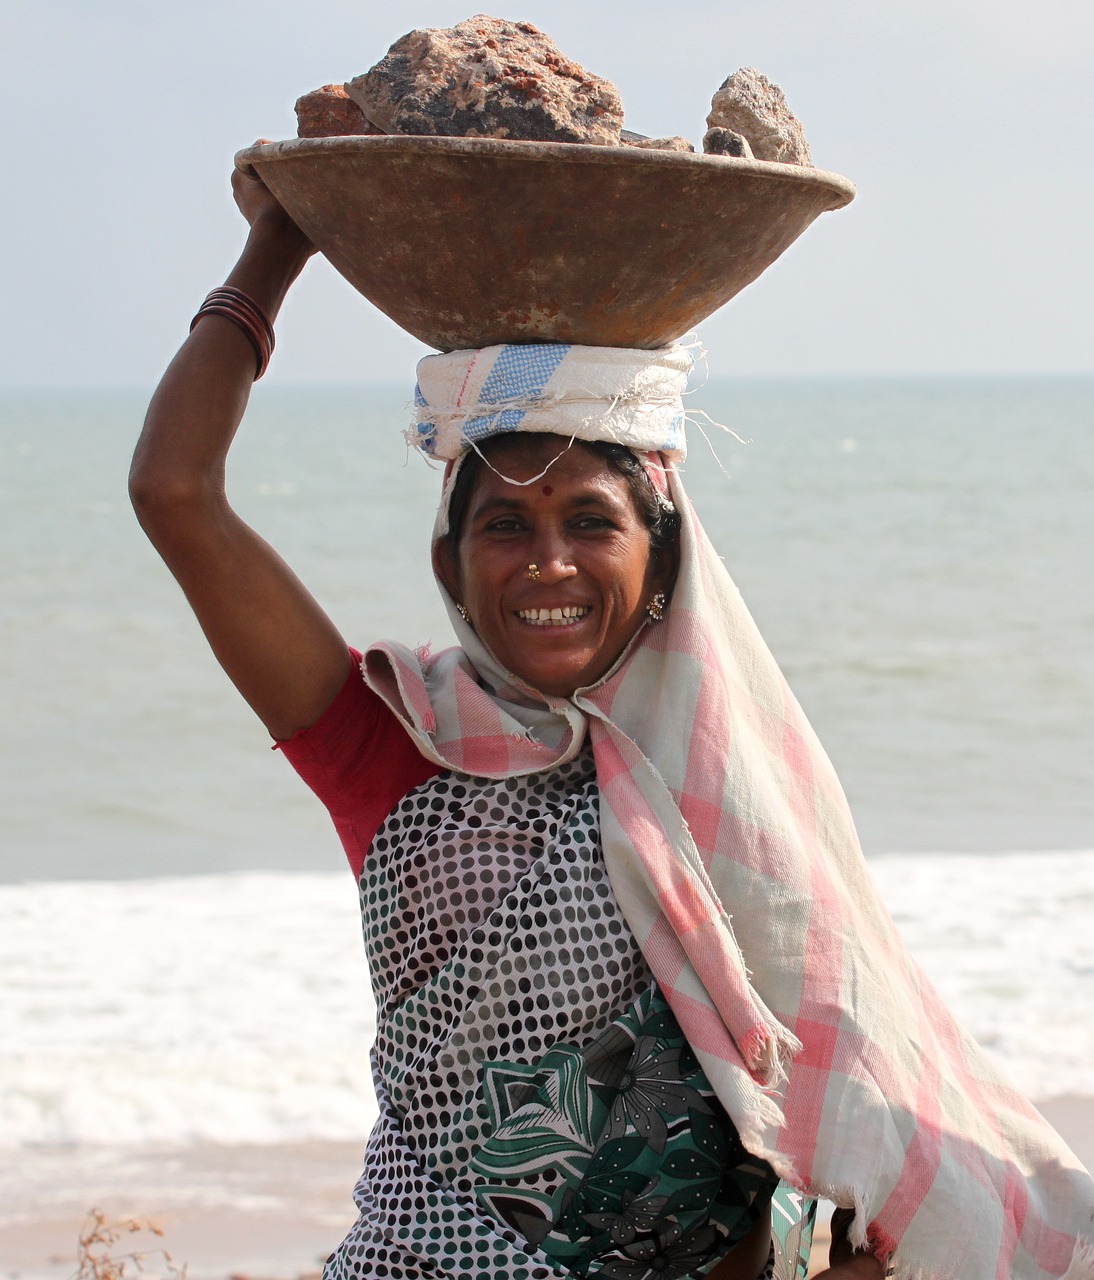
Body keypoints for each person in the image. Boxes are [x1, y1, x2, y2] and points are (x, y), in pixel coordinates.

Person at [130, 166, 1094, 1280]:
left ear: (658, 559)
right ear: (448, 558)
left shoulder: (726, 785)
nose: (547, 561)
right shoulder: (389, 739)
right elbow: (174, 493)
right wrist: (280, 248)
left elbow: (813, 1094)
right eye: (503, 523)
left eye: (589, 519)